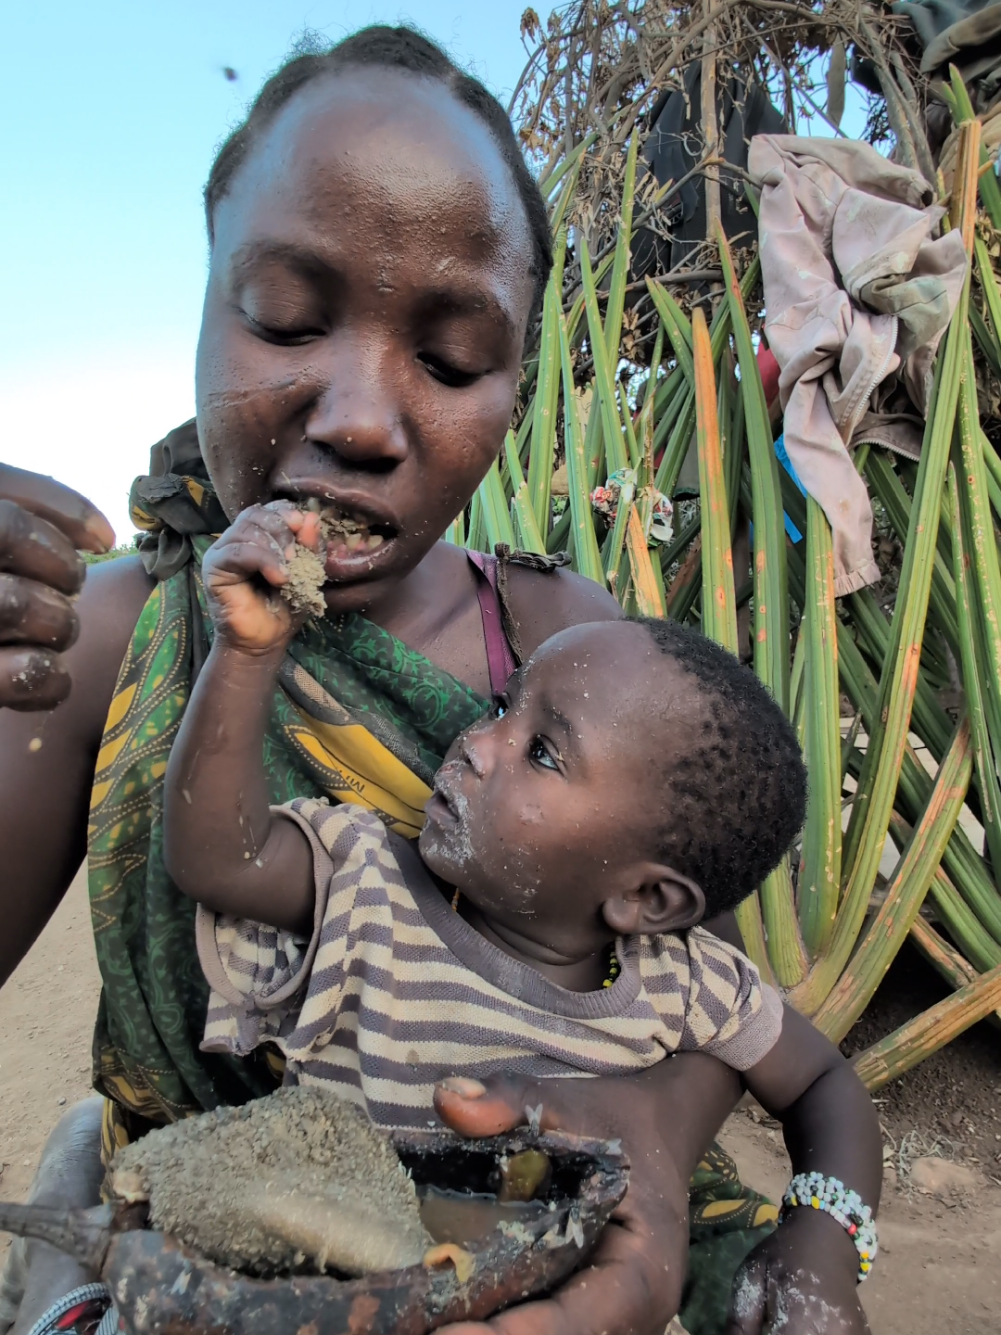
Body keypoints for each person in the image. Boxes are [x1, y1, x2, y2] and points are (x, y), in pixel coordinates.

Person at [0, 24, 871, 1335]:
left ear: (517, 387)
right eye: (289, 314)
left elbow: (686, 1004)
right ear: (203, 290)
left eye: (455, 359)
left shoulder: (567, 642)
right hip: (213, 1247)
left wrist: (651, 1152)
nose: (360, 414)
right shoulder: (101, 640)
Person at [159, 510, 881, 1332]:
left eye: (541, 751)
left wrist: (825, 1239)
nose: (476, 740)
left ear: (645, 900)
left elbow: (825, 1084)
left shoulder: (686, 988)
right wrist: (247, 652)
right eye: (504, 705)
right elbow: (219, 856)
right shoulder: (364, 885)